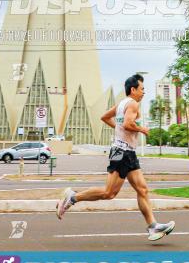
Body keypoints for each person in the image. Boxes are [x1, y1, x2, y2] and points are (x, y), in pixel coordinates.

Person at [56, 73, 175, 241]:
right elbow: (127, 124)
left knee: (142, 189)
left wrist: (119, 129)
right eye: (142, 89)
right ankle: (72, 198)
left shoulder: (122, 104)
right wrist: (142, 130)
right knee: (108, 193)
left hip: (128, 152)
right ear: (133, 89)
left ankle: (153, 227)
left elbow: (104, 117)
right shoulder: (132, 104)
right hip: (121, 152)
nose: (144, 92)